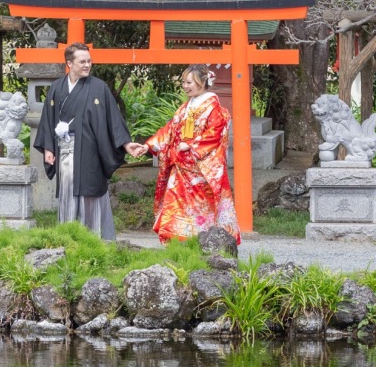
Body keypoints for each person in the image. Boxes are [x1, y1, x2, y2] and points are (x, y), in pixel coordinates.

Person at [126, 64, 240, 243]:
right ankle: (177, 245)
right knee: (174, 207)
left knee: (203, 210)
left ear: (203, 82)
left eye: (189, 82)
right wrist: (147, 147)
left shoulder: (214, 108)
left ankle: (203, 243)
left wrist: (192, 145)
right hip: (180, 168)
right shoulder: (185, 108)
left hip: (201, 171)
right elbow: (169, 130)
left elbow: (215, 134)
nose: (185, 86)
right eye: (184, 82)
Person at [34, 43, 132, 241]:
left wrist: (126, 145)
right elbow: (48, 119)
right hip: (65, 150)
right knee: (68, 193)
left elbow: (113, 119)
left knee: (91, 192)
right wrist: (48, 148)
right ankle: (67, 239)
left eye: (89, 61)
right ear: (69, 63)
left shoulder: (99, 88)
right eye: (82, 61)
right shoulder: (56, 88)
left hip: (91, 151)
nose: (87, 65)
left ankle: (96, 241)